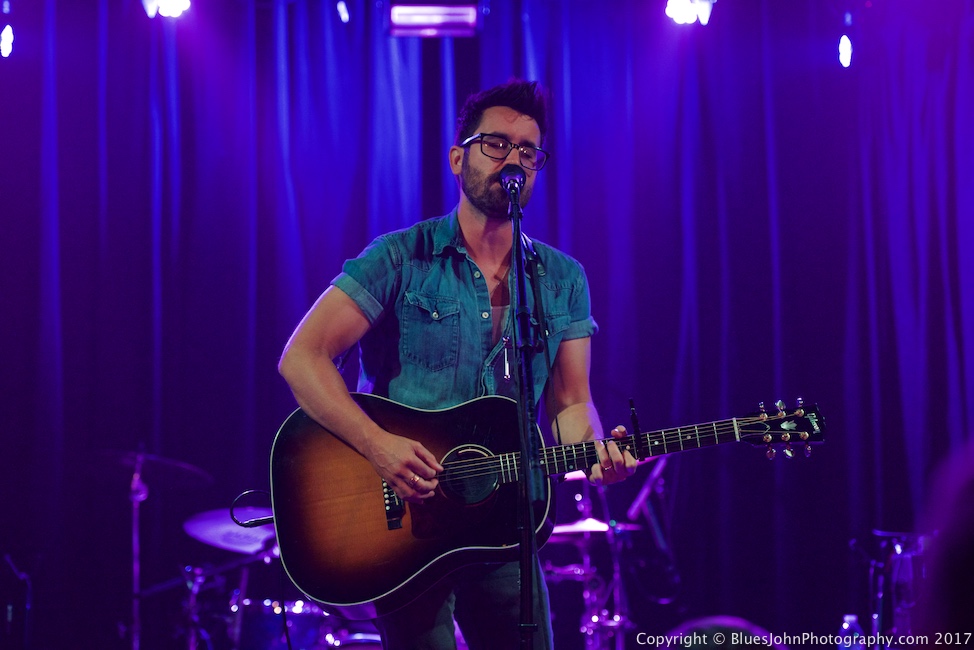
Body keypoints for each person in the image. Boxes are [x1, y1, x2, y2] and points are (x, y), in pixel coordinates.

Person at [278, 79, 638, 650]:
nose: (513, 161)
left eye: (528, 151)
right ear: (458, 157)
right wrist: (377, 445)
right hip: (405, 525)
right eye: (496, 145)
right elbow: (302, 358)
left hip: (505, 525)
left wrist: (595, 453)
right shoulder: (401, 256)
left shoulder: (562, 279)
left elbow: (571, 402)